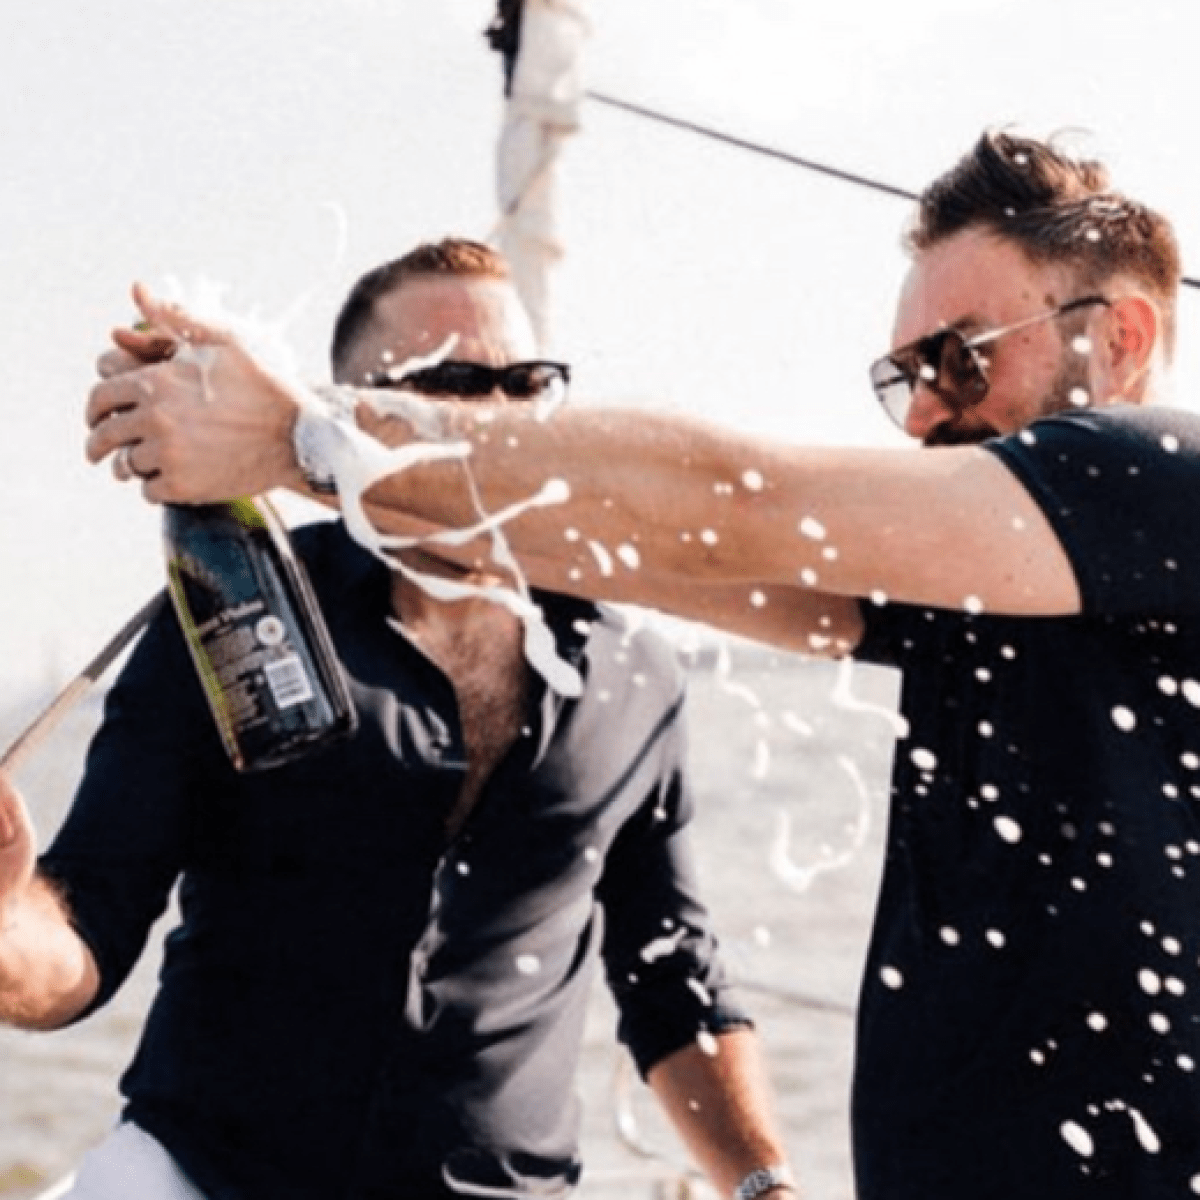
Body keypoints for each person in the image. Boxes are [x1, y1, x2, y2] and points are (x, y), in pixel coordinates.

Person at [84, 130, 1196, 1197]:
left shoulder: (1167, 484)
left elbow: (742, 505)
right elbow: (660, 547)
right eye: (904, 373)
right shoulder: (982, 585)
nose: (922, 414)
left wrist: (301, 435)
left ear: (1124, 338)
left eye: (961, 358)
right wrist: (294, 460)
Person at [2, 238, 799, 1200]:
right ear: (341, 415)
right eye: (451, 385)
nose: (498, 418)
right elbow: (85, 931)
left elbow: (673, 978)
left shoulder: (635, 673)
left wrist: (765, 1185)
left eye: (527, 385)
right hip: (207, 1176)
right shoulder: (228, 611)